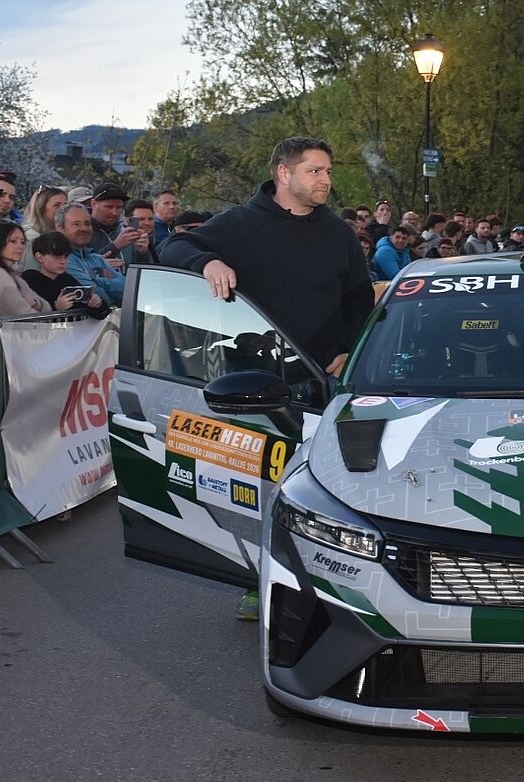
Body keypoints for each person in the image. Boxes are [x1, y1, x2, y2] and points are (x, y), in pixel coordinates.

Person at [160, 136, 374, 622]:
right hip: (253, 384)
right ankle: (259, 581)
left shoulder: (338, 233)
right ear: (284, 173)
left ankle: (329, 588)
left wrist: (351, 348)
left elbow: (359, 298)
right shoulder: (240, 223)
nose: (326, 180)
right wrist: (208, 261)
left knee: (323, 490)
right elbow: (174, 245)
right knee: (257, 486)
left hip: (322, 380)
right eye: (315, 171)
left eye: (328, 170)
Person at [21, 231, 109, 318]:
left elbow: (97, 313)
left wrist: (97, 305)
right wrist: (56, 310)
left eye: (66, 257)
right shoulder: (29, 281)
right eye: (57, 257)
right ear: (40, 257)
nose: (63, 261)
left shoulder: (67, 279)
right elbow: (28, 316)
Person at [0, 219, 49, 316]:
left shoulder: (13, 275)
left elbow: (47, 308)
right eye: (13, 241)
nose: (20, 246)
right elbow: (22, 315)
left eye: (22, 242)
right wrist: (36, 305)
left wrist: (36, 303)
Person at [56, 203, 126, 306]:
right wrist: (109, 284)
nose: (84, 228)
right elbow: (96, 295)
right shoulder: (63, 260)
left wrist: (97, 281)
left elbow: (127, 288)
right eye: (76, 224)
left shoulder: (97, 259)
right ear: (60, 229)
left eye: (87, 223)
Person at [123, 199, 159, 264]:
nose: (147, 223)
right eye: (141, 219)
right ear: (127, 221)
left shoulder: (150, 240)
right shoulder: (124, 244)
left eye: (150, 219)